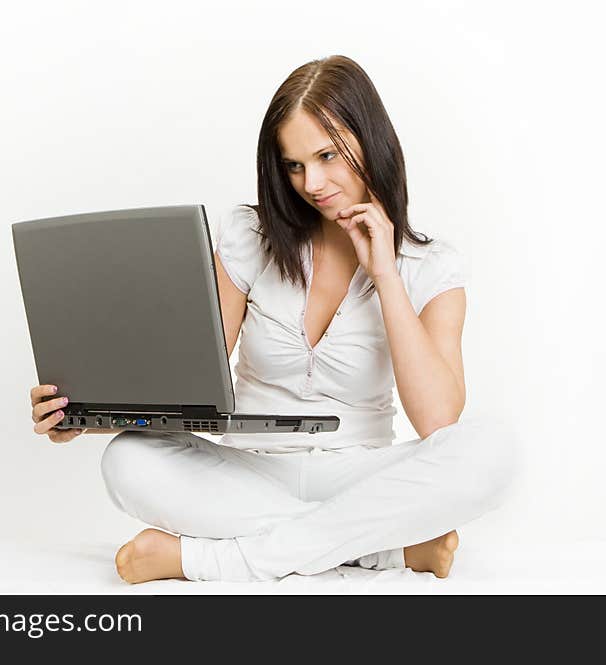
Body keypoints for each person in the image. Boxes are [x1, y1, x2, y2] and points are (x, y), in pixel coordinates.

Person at [28, 55, 517, 583]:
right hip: (246, 471)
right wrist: (92, 414)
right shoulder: (252, 239)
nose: (313, 183)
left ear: (371, 141)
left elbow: (438, 421)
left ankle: (207, 560)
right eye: (295, 165)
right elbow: (192, 382)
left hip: (360, 475)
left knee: (490, 449)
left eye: (328, 155)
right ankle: (383, 551)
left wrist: (386, 274)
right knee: (126, 461)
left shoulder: (433, 266)